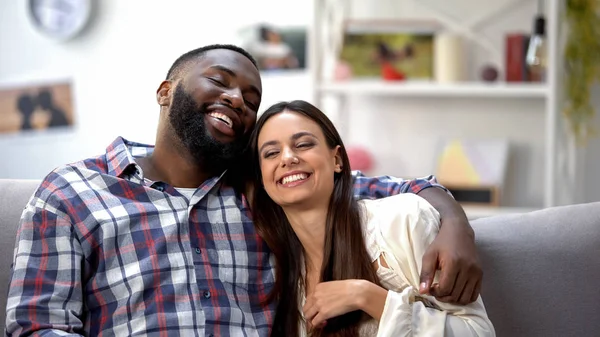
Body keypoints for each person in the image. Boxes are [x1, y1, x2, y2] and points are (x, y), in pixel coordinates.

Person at [5, 44, 481, 336]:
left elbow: (374, 183)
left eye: (251, 100)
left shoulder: (261, 188)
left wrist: (456, 223)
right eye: (220, 81)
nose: (237, 99)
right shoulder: (72, 192)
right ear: (165, 90)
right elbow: (37, 326)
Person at [249, 100, 495, 336]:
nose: (287, 158)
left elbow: (478, 333)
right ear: (261, 177)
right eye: (271, 153)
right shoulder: (282, 275)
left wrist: (366, 296)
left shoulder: (403, 221)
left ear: (336, 160)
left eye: (303, 145)